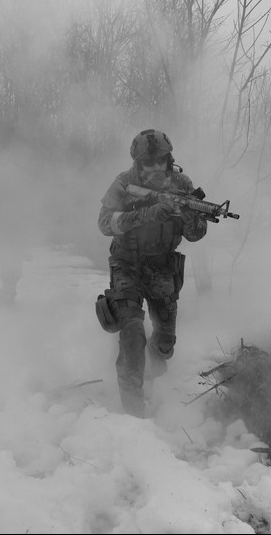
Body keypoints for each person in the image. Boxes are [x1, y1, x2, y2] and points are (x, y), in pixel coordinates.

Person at [98, 129, 208, 417]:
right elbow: (105, 223)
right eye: (149, 162)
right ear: (138, 163)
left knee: (163, 345)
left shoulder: (182, 183)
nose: (157, 167)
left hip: (161, 266)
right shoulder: (124, 183)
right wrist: (145, 214)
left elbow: (196, 234)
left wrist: (187, 215)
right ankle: (133, 411)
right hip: (127, 264)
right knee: (132, 330)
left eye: (162, 161)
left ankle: (150, 372)